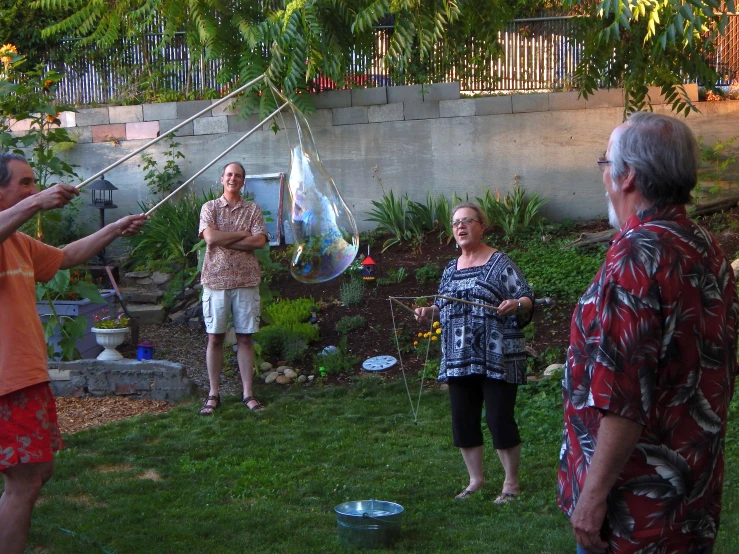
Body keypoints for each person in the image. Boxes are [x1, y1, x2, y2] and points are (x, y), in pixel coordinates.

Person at [558, 112, 738, 554]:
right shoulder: (703, 243)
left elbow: (623, 399)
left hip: (633, 516)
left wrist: (592, 498)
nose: (604, 175)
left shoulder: (635, 257)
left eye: (606, 163)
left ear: (628, 176)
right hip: (690, 498)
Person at [0, 152, 147, 554]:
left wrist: (114, 228)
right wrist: (36, 202)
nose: (33, 189)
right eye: (25, 182)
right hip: (6, 383)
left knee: (37, 472)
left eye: (34, 183)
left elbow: (65, 257)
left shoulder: (17, 240)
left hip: (25, 377)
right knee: (25, 481)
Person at [414, 202, 534, 503]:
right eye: (456, 223)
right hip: (458, 356)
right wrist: (430, 311)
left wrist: (515, 304)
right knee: (463, 419)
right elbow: (443, 305)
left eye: (468, 221)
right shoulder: (450, 269)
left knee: (498, 418)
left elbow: (527, 298)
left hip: (497, 356)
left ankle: (511, 484)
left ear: (482, 226)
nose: (461, 226)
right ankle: (475, 480)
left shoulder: (500, 262)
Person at [198, 161, 268, 415]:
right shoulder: (210, 208)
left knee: (245, 338)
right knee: (215, 337)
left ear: (243, 181)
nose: (233, 179)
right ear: (222, 179)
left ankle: (248, 393)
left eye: (238, 176)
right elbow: (210, 238)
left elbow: (259, 241)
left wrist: (225, 238)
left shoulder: (252, 209)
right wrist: (241, 235)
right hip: (215, 281)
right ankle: (213, 394)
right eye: (229, 174)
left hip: (246, 281)